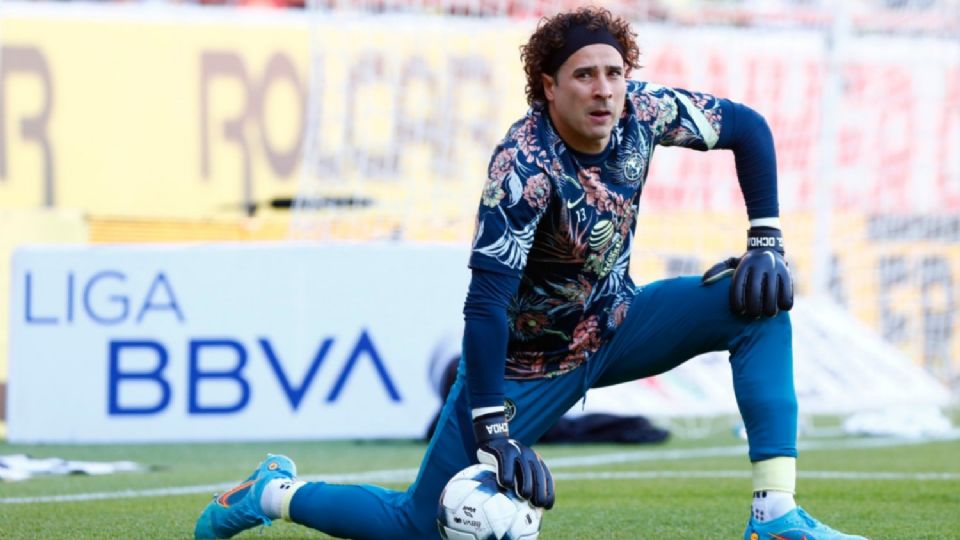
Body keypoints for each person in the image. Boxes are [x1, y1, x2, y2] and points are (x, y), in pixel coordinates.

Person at [194, 7, 867, 540]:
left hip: (618, 323)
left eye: (614, 72)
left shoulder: (644, 112)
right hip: (524, 369)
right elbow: (485, 305)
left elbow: (748, 127)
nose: (603, 89)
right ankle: (270, 493)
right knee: (417, 527)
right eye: (584, 75)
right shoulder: (522, 168)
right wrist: (492, 427)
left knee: (759, 305)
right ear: (549, 87)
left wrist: (766, 238)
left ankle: (775, 518)